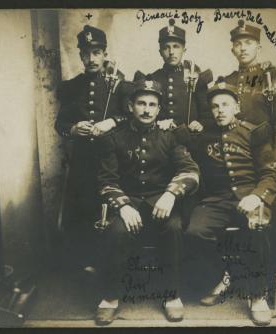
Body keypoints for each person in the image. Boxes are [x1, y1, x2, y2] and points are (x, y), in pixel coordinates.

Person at [95, 80, 200, 325]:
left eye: (153, 105)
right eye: (141, 103)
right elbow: (105, 180)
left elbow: (190, 171)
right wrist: (123, 205)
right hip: (128, 202)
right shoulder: (114, 137)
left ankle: (171, 295)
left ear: (159, 109)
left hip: (160, 202)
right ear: (130, 106)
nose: (146, 109)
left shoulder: (169, 136)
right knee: (117, 231)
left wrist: (171, 193)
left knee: (173, 228)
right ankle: (110, 297)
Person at [184, 79, 276, 326]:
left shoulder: (254, 132)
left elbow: (271, 173)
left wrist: (256, 196)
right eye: (215, 106)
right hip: (217, 200)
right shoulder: (203, 135)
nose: (220, 110)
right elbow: (175, 138)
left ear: (236, 107)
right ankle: (226, 276)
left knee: (257, 225)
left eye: (225, 104)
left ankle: (258, 295)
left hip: (250, 197)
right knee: (195, 232)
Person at [54, 24, 132, 270]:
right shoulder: (72, 87)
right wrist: (74, 129)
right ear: (80, 56)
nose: (91, 58)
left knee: (113, 212)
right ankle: (89, 264)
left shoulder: (119, 85)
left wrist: (112, 121)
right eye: (86, 53)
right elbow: (60, 124)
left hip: (115, 160)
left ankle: (116, 263)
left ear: (105, 54)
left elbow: (132, 117)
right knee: (84, 211)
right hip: (83, 161)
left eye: (96, 52)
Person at [225, 19, 276, 288]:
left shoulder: (271, 79)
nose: (243, 48)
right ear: (232, 48)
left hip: (264, 154)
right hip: (239, 154)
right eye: (238, 43)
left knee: (267, 211)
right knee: (241, 209)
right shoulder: (228, 80)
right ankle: (241, 265)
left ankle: (269, 269)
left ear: (258, 46)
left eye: (248, 43)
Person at [135, 18, 214, 134]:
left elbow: (207, 114)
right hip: (161, 138)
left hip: (190, 137)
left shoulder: (195, 77)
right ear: (160, 52)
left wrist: (200, 123)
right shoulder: (153, 78)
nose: (171, 52)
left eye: (176, 46)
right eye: (166, 47)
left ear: (184, 50)